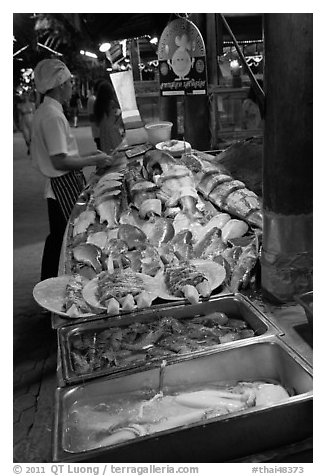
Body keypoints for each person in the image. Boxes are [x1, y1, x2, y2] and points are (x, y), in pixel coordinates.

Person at [30, 58, 113, 281]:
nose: (71, 87)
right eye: (69, 83)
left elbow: (64, 155)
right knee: (68, 239)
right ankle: (57, 285)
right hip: (61, 185)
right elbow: (60, 161)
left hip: (59, 183)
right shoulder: (52, 115)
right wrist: (89, 161)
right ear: (59, 85)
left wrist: (92, 156)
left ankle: (48, 281)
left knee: (58, 237)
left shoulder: (47, 110)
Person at [93, 80, 126, 154]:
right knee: (117, 152)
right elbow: (118, 116)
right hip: (112, 131)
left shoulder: (97, 104)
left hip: (103, 132)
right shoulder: (111, 103)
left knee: (107, 151)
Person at [87, 79, 103, 149]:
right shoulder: (93, 100)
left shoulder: (94, 99)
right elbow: (92, 117)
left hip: (98, 132)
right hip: (99, 132)